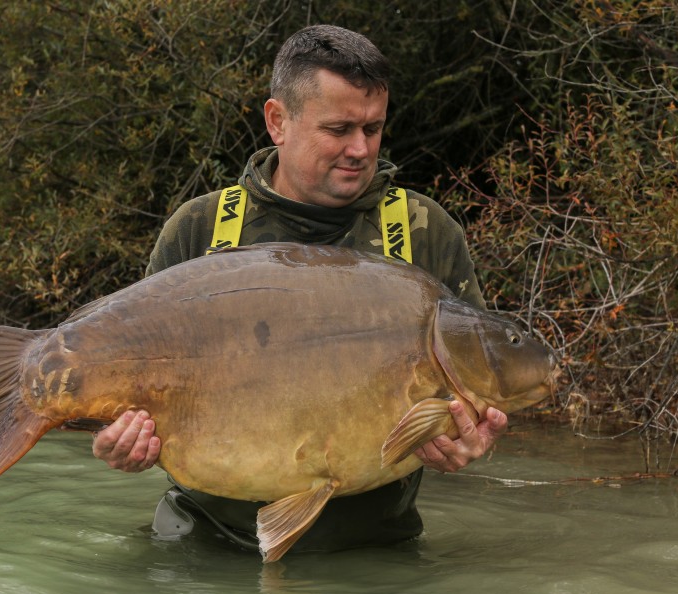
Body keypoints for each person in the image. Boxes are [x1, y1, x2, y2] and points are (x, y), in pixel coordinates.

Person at [92, 24, 508, 553]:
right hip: (199, 548)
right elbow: (126, 390)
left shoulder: (426, 232)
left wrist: (471, 440)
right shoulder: (198, 229)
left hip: (379, 555)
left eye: (373, 128)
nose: (361, 149)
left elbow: (477, 383)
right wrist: (115, 439)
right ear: (277, 121)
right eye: (338, 129)